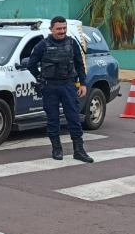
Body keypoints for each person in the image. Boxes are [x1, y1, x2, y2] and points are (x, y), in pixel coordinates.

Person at [27, 16, 93, 163]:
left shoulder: (72, 43)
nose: (62, 31)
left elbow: (79, 64)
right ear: (51, 29)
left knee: (74, 118)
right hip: (49, 87)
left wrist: (82, 83)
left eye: (64, 28)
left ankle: (79, 150)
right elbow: (31, 64)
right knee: (52, 119)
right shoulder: (42, 45)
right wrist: (40, 78)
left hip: (68, 85)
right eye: (59, 29)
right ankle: (56, 149)